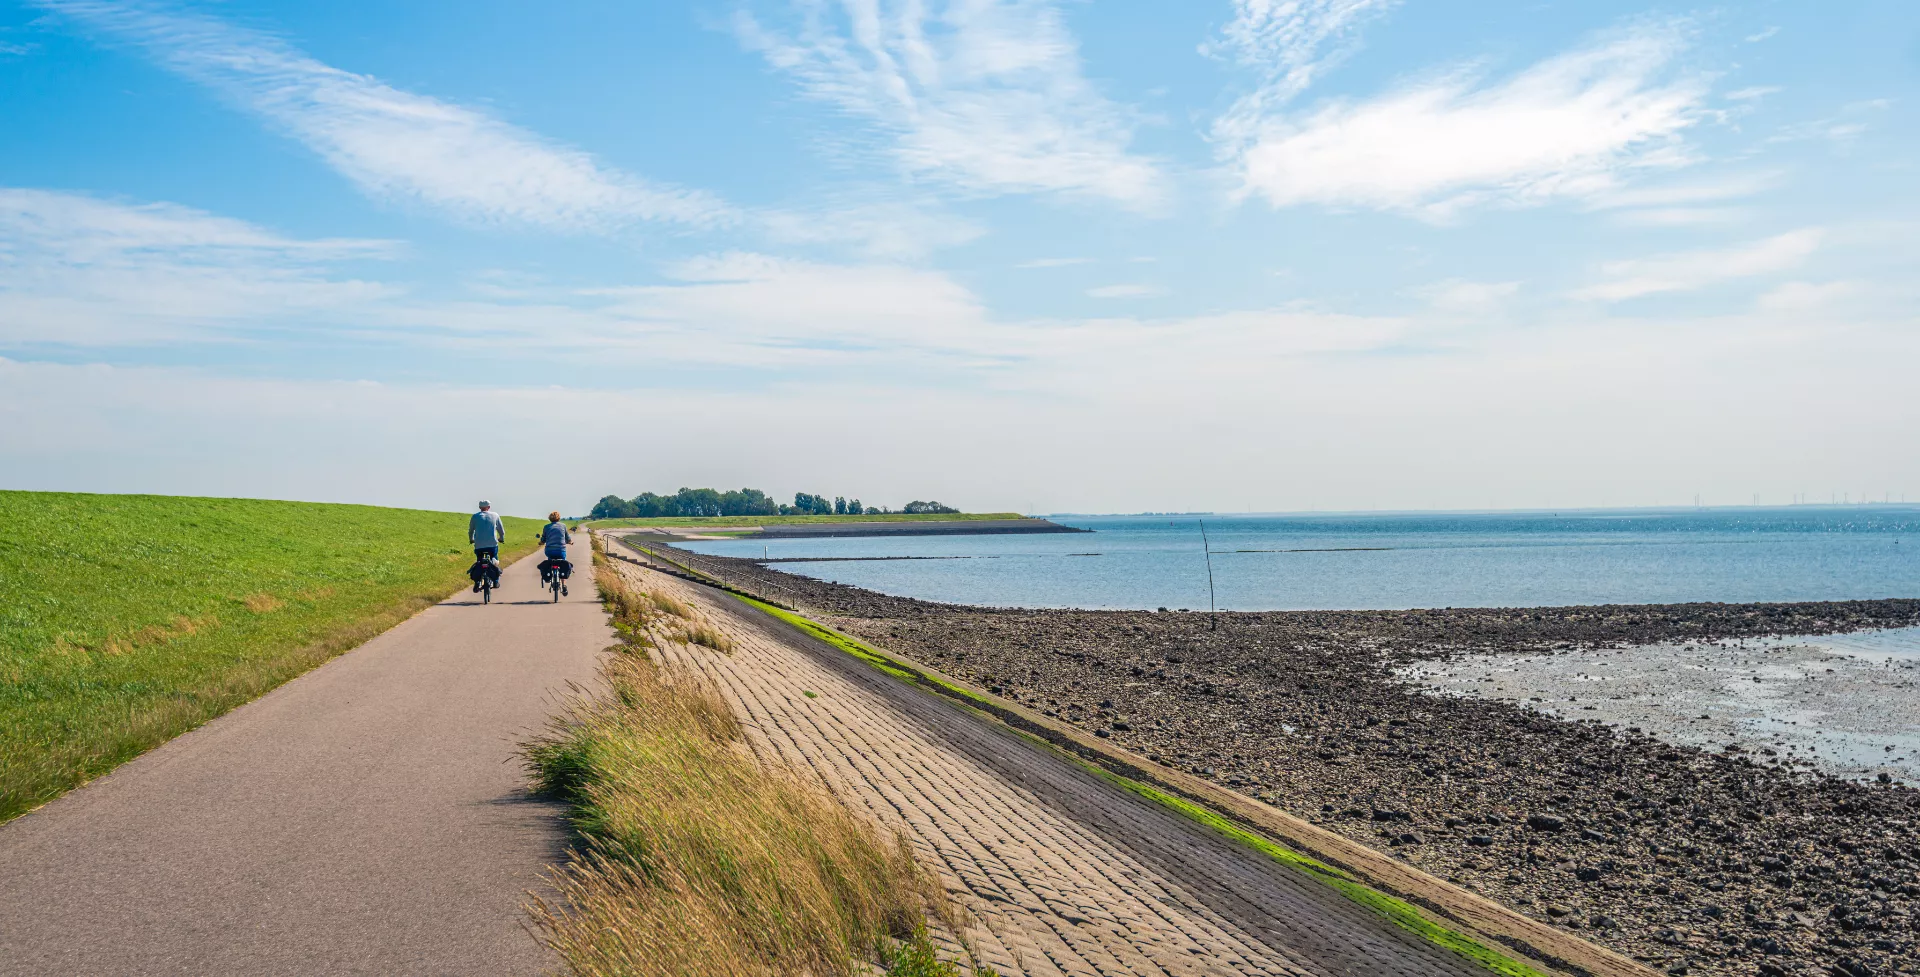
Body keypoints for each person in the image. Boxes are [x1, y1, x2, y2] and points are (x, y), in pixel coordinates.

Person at [469, 500, 505, 592]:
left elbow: (471, 530)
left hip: (479, 545)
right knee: (494, 558)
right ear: (489, 507)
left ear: (479, 507)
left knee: (479, 561)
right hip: (492, 544)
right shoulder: (495, 515)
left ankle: (477, 582)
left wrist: (471, 539)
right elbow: (501, 530)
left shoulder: (475, 516)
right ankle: (496, 581)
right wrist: (501, 538)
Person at [540, 511, 573, 596]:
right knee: (562, 564)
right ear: (559, 518)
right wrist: (570, 542)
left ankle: (549, 576)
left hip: (549, 551)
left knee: (550, 561)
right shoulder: (563, 526)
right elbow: (567, 538)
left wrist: (541, 542)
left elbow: (543, 539)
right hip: (561, 551)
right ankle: (564, 585)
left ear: (550, 518)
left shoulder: (546, 527)